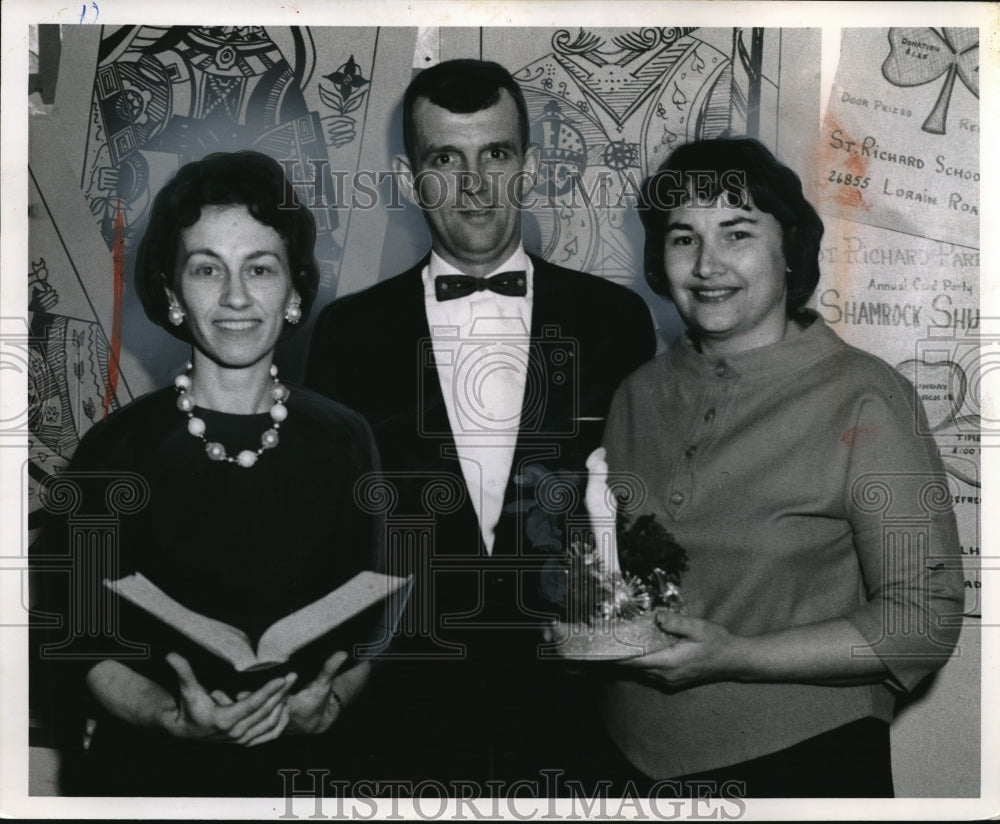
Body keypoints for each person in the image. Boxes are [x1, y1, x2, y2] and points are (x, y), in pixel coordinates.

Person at [305, 59, 656, 788]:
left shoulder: (615, 322)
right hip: (397, 717)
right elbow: (329, 536)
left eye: (495, 154)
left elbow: (643, 515)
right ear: (409, 179)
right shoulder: (347, 333)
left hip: (577, 714)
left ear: (527, 166)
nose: (474, 185)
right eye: (445, 158)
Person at [585, 137, 964, 797]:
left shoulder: (865, 397)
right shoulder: (634, 394)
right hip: (623, 763)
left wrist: (740, 657)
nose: (707, 265)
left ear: (788, 250)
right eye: (683, 238)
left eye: (736, 233)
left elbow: (922, 620)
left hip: (801, 764)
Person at [42, 151, 384, 796]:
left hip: (314, 779)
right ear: (173, 295)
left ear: (294, 290)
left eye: (259, 268)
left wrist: (330, 701)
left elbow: (377, 611)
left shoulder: (347, 439)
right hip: (151, 779)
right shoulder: (112, 450)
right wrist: (170, 717)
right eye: (207, 269)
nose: (234, 297)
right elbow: (76, 639)